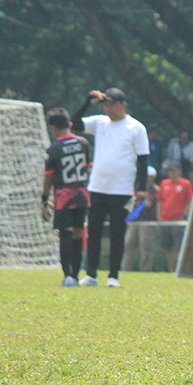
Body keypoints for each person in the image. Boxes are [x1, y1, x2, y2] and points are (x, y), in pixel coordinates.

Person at [71, 87, 150, 288]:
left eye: (112, 104)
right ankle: (91, 274)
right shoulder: (100, 123)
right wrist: (87, 102)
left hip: (121, 190)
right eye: (106, 105)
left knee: (117, 234)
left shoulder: (136, 128)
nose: (109, 109)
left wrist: (141, 188)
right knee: (94, 232)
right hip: (98, 187)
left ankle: (113, 275)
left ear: (123, 104)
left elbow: (143, 159)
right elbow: (75, 124)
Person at [41, 108, 92, 287]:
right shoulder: (84, 143)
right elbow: (87, 168)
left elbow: (49, 176)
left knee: (65, 234)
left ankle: (67, 276)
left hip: (63, 197)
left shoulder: (54, 149)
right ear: (69, 124)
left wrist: (44, 198)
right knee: (78, 233)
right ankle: (76, 276)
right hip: (82, 195)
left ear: (54, 128)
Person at [156, 161, 193, 272]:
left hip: (178, 219)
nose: (172, 173)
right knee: (168, 247)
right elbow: (160, 200)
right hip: (165, 219)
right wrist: (159, 215)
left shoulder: (185, 184)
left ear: (179, 171)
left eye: (174, 171)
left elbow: (189, 200)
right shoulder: (164, 183)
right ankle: (171, 268)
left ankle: (179, 268)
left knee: (178, 245)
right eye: (170, 171)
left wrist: (184, 214)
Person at [123, 166, 159, 272]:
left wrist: (140, 198)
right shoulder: (137, 188)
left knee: (146, 247)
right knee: (128, 245)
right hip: (134, 222)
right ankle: (125, 268)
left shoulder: (155, 190)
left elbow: (148, 204)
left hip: (147, 222)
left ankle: (145, 270)